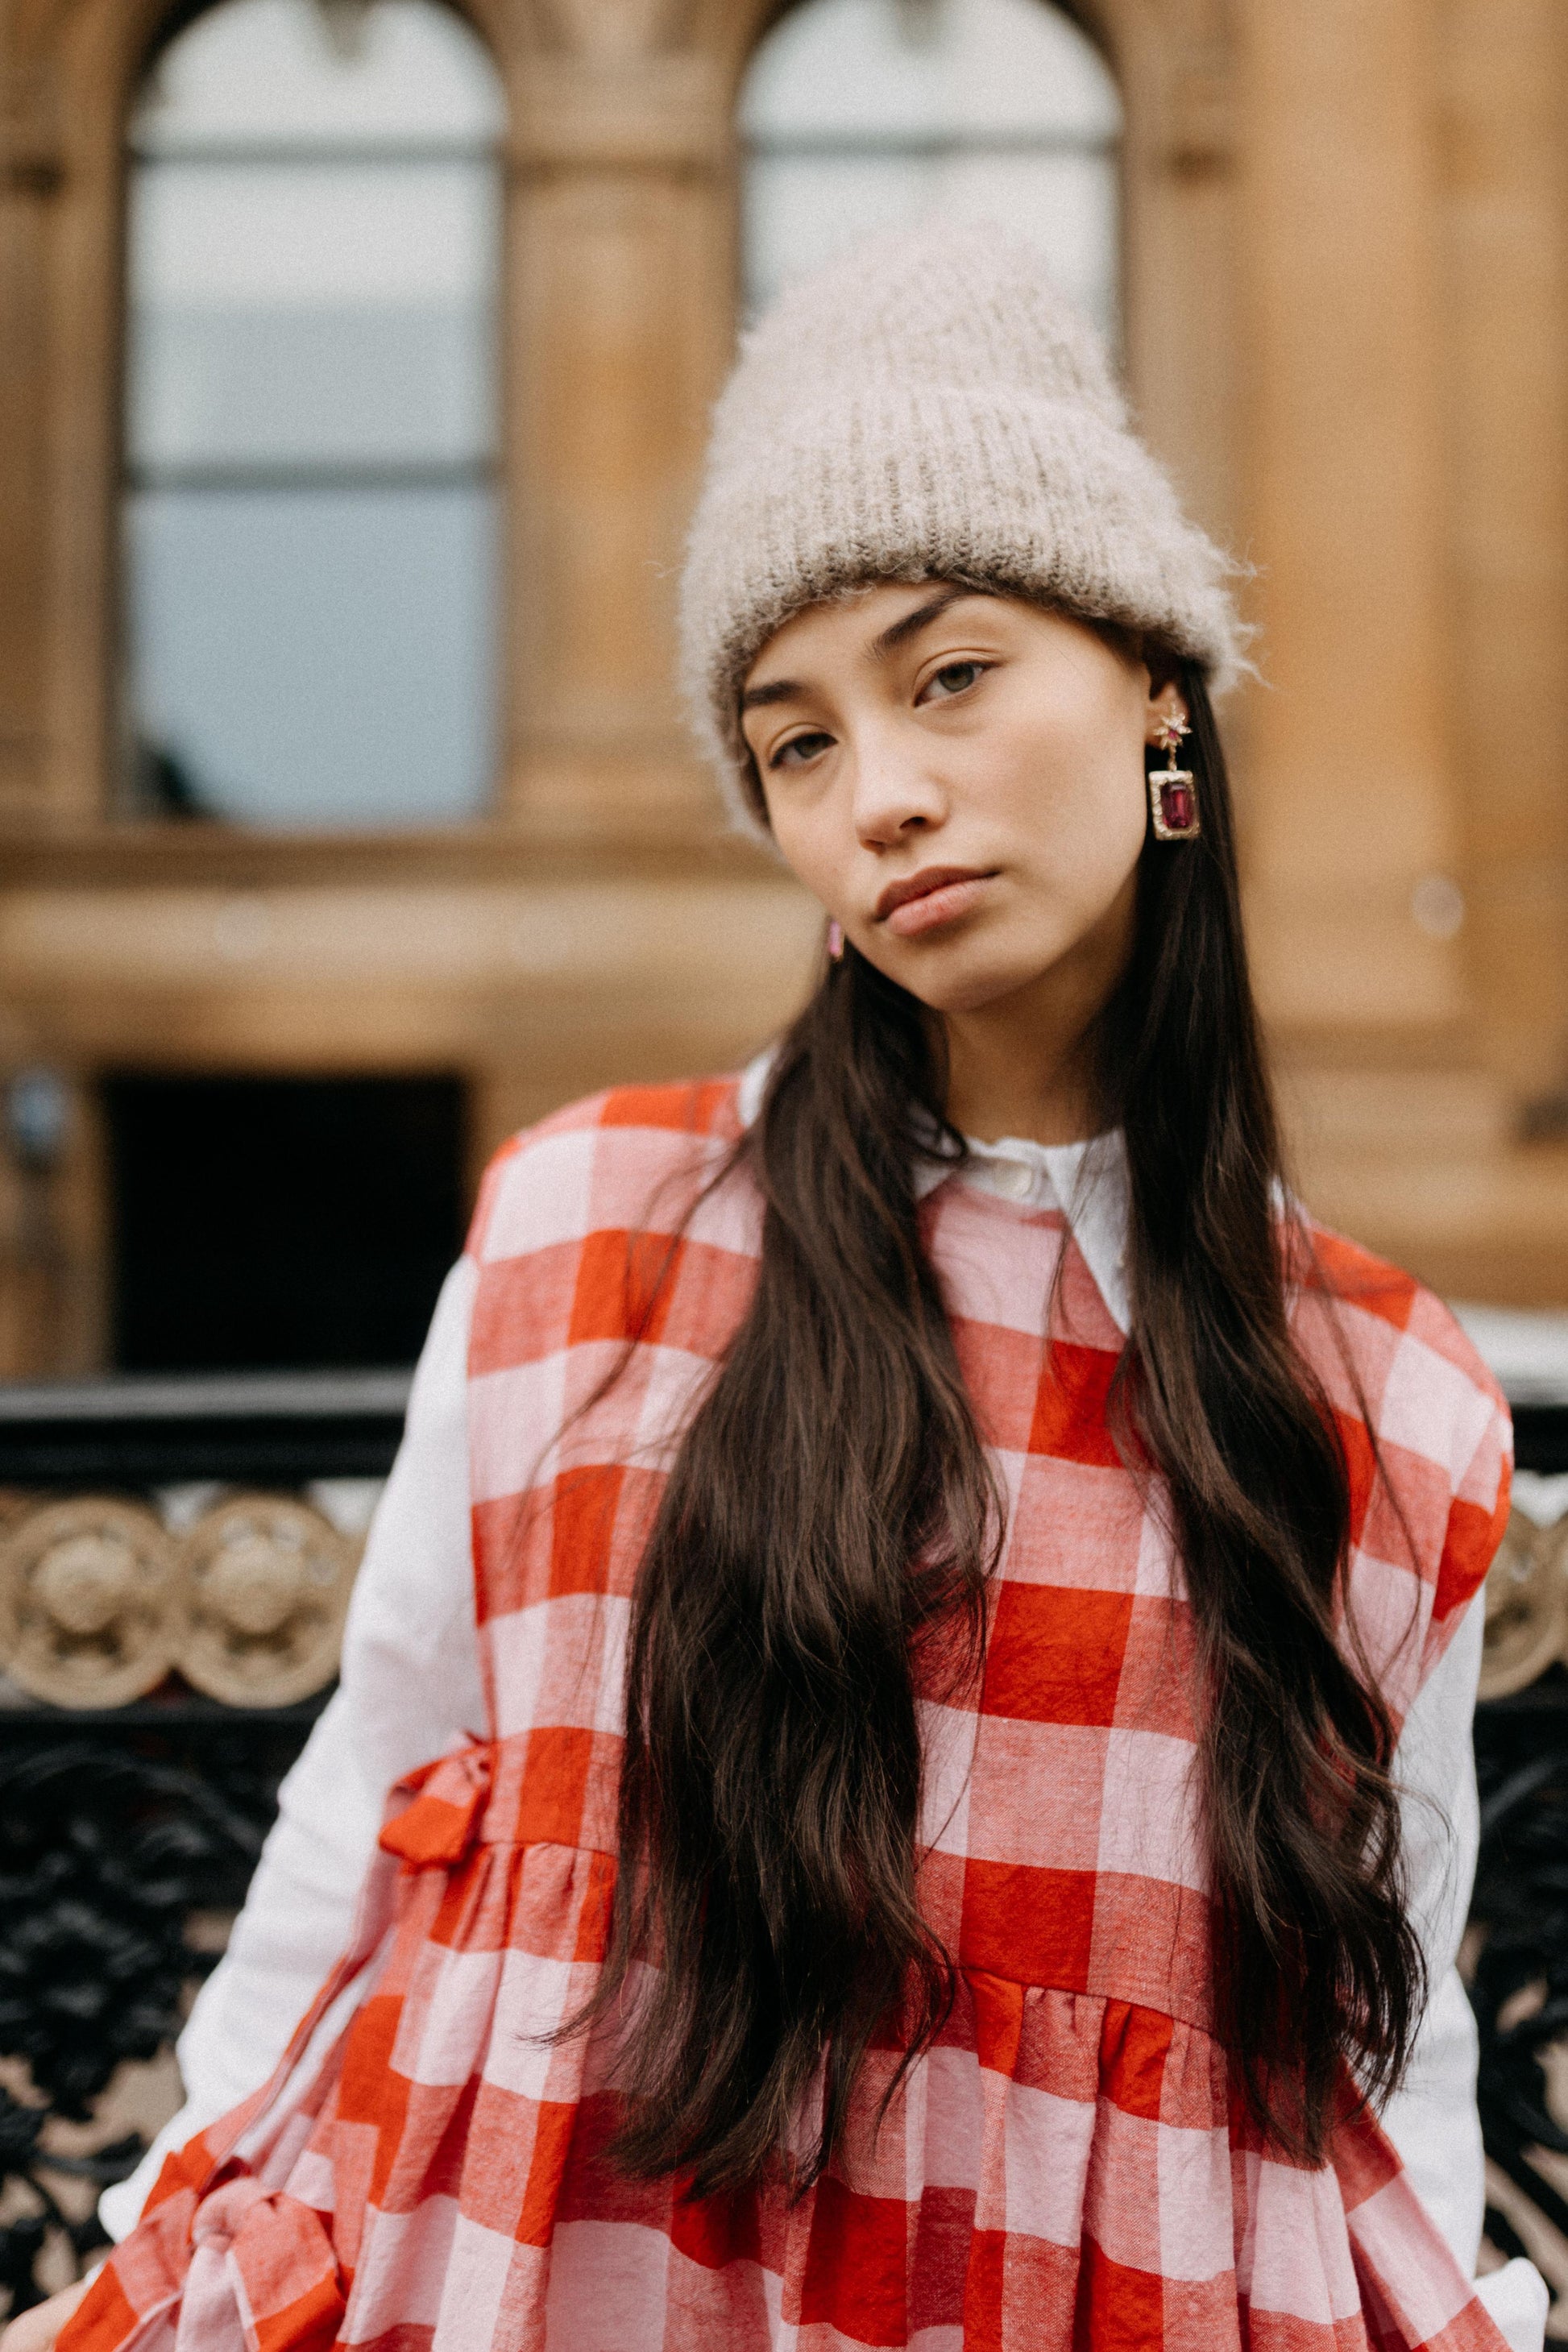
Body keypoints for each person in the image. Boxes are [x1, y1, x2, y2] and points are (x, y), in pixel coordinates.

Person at [7, 224, 1547, 2352]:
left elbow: (1386, 1994)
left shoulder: (1381, 1392)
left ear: (1157, 703)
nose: (879, 794)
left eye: (946, 676)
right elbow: (378, 1797)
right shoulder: (589, 1232)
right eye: (794, 744)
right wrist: (154, 2241)